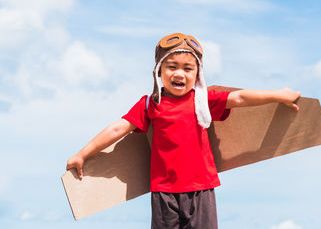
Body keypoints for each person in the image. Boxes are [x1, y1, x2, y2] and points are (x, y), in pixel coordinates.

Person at [66, 32, 301, 229]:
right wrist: (83, 153)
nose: (179, 73)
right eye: (172, 66)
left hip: (201, 189)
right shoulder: (150, 103)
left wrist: (278, 95)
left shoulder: (203, 99)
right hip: (164, 192)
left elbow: (239, 97)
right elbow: (118, 128)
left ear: (197, 74)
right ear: (159, 70)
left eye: (188, 68)